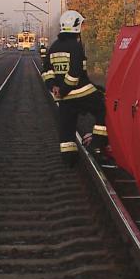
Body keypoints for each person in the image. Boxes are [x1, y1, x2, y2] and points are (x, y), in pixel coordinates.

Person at [41, 10, 108, 167]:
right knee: (102, 109)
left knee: (66, 128)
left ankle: (68, 159)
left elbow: (46, 71)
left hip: (64, 97)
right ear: (76, 26)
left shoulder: (54, 47)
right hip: (80, 92)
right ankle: (98, 144)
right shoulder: (76, 47)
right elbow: (75, 74)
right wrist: (65, 89)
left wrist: (54, 87)